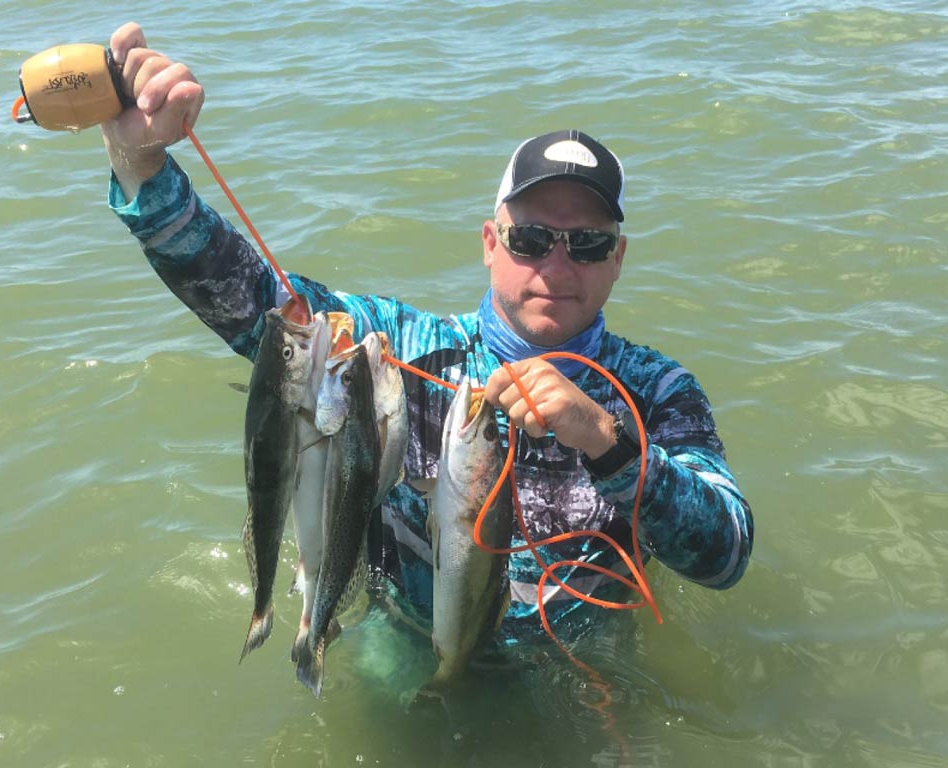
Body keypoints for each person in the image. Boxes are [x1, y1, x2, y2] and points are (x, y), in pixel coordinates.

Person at [102, 23, 753, 644]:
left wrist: (609, 444)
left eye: (586, 244)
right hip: (410, 642)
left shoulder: (656, 392)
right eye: (531, 239)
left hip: (583, 663)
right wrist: (141, 163)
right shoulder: (400, 350)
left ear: (618, 258)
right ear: (490, 244)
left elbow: (725, 554)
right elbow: (255, 306)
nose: (556, 267)